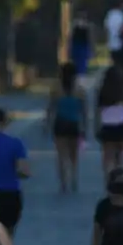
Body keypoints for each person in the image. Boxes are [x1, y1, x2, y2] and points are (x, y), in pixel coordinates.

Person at [48, 63, 87, 194]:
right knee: (73, 155)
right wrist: (84, 127)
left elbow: (51, 108)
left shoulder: (56, 90)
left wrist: (47, 123)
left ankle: (63, 182)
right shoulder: (80, 90)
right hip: (74, 124)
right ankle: (74, 178)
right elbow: (84, 111)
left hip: (60, 124)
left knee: (61, 155)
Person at [96, 65, 123, 173]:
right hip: (121, 125)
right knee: (119, 157)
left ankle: (108, 179)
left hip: (107, 125)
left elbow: (98, 111)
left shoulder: (102, 92)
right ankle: (119, 178)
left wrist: (97, 127)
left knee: (107, 157)